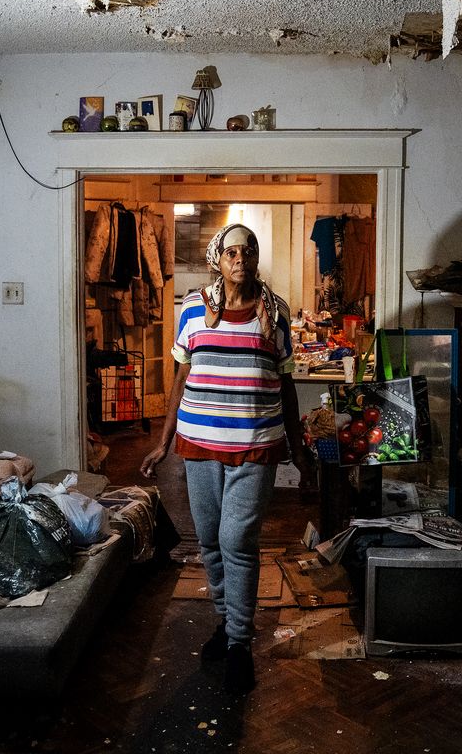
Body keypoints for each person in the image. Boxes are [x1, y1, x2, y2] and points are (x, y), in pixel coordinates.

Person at [140, 223, 314, 694]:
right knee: (211, 543)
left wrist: (298, 451)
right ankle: (225, 622)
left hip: (256, 444)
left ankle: (239, 643)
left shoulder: (273, 312)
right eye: (232, 251)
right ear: (218, 258)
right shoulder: (194, 310)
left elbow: (287, 383)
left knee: (237, 540)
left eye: (249, 250)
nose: (240, 259)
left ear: (256, 258)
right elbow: (181, 377)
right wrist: (163, 439)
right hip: (198, 443)